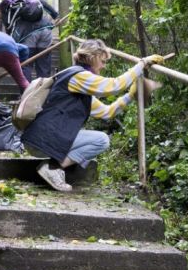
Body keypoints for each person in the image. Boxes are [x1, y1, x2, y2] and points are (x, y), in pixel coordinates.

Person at [21, 39, 164, 191]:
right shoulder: (78, 76)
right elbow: (113, 86)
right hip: (43, 139)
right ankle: (53, 168)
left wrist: (130, 96)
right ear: (93, 57)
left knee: (101, 139)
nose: (103, 66)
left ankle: (53, 167)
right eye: (102, 61)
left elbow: (106, 113)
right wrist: (142, 64)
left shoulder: (79, 83)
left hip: (41, 139)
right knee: (101, 140)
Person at [0, 0, 59, 81]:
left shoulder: (7, 14)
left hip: (29, 35)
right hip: (46, 29)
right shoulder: (24, 3)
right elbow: (42, 2)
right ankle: (44, 91)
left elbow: (12, 35)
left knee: (26, 64)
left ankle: (27, 92)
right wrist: (55, 15)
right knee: (44, 64)